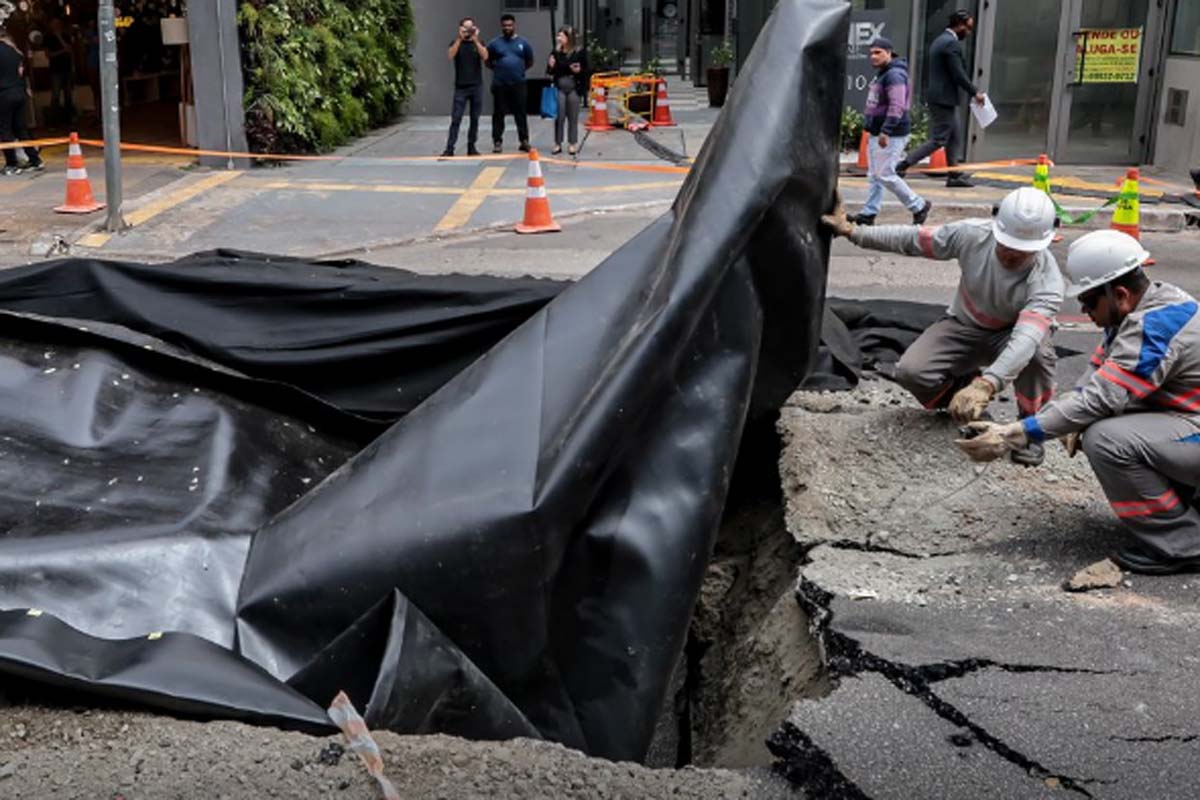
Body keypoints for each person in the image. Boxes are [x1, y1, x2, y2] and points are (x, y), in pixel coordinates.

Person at [958, 230, 1200, 575]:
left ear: (1119, 294)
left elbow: (1100, 399)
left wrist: (1015, 435)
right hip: (1190, 422)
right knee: (1097, 423)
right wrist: (1033, 424)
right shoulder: (1139, 314)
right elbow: (1090, 386)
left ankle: (1184, 545)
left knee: (1108, 439)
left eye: (1088, 301)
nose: (1084, 310)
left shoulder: (1156, 326)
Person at [822, 186, 1061, 465]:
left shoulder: (1047, 281)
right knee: (911, 372)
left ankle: (1029, 429)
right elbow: (914, 239)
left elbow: (1025, 339)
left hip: (1011, 334)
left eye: (1022, 251)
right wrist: (854, 232)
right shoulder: (972, 235)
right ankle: (963, 404)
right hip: (964, 325)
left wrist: (987, 385)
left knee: (1037, 354)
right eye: (1007, 245)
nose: (1011, 255)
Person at [896, 10, 984, 188]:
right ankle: (903, 164)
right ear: (959, 25)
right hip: (944, 98)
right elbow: (958, 74)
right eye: (967, 28)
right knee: (940, 139)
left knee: (955, 136)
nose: (968, 32)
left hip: (943, 97)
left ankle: (954, 175)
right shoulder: (950, 44)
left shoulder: (940, 40)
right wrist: (975, 92)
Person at [851, 36, 931, 227]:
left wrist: (886, 131)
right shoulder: (884, 73)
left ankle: (918, 205)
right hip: (878, 132)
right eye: (871, 53)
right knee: (875, 176)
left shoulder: (894, 75)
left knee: (885, 174)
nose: (873, 56)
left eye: (878, 52)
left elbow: (897, 106)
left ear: (889, 52)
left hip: (890, 135)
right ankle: (869, 213)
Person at [486, 14, 533, 154]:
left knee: (521, 113)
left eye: (510, 25)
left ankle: (524, 141)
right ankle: (497, 141)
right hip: (500, 84)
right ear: (501, 26)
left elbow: (529, 61)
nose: (507, 28)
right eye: (505, 25)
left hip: (518, 83)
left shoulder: (523, 43)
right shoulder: (494, 44)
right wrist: (500, 69)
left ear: (514, 25)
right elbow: (487, 61)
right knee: (499, 113)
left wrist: (517, 70)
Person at [0, 28, 44, 176]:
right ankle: (35, 160)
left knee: (5, 129)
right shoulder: (16, 52)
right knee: (20, 128)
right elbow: (21, 73)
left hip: (4, 94)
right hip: (19, 93)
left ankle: (12, 164)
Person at [443, 17, 488, 158]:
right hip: (461, 87)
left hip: (476, 85)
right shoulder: (456, 42)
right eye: (465, 28)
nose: (468, 31)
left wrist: (475, 39)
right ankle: (450, 148)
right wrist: (459, 38)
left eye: (470, 28)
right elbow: (450, 55)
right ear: (460, 28)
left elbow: (485, 56)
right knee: (456, 118)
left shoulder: (478, 42)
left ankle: (471, 146)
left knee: (475, 118)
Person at [546, 26, 586, 157]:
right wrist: (551, 66)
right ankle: (557, 143)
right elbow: (550, 70)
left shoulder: (578, 52)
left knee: (573, 117)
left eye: (561, 36)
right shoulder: (556, 52)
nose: (558, 38)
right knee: (560, 116)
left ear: (568, 38)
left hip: (574, 87)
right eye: (558, 36)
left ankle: (572, 143)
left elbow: (586, 70)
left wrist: (579, 71)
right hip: (560, 87)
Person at [44, 17, 75, 123]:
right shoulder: (48, 38)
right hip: (55, 69)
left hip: (67, 68)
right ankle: (54, 121)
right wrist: (62, 51)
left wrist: (60, 38)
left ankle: (69, 119)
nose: (56, 25)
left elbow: (70, 50)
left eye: (57, 23)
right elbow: (48, 54)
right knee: (56, 94)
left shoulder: (66, 36)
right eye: (54, 23)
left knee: (68, 94)